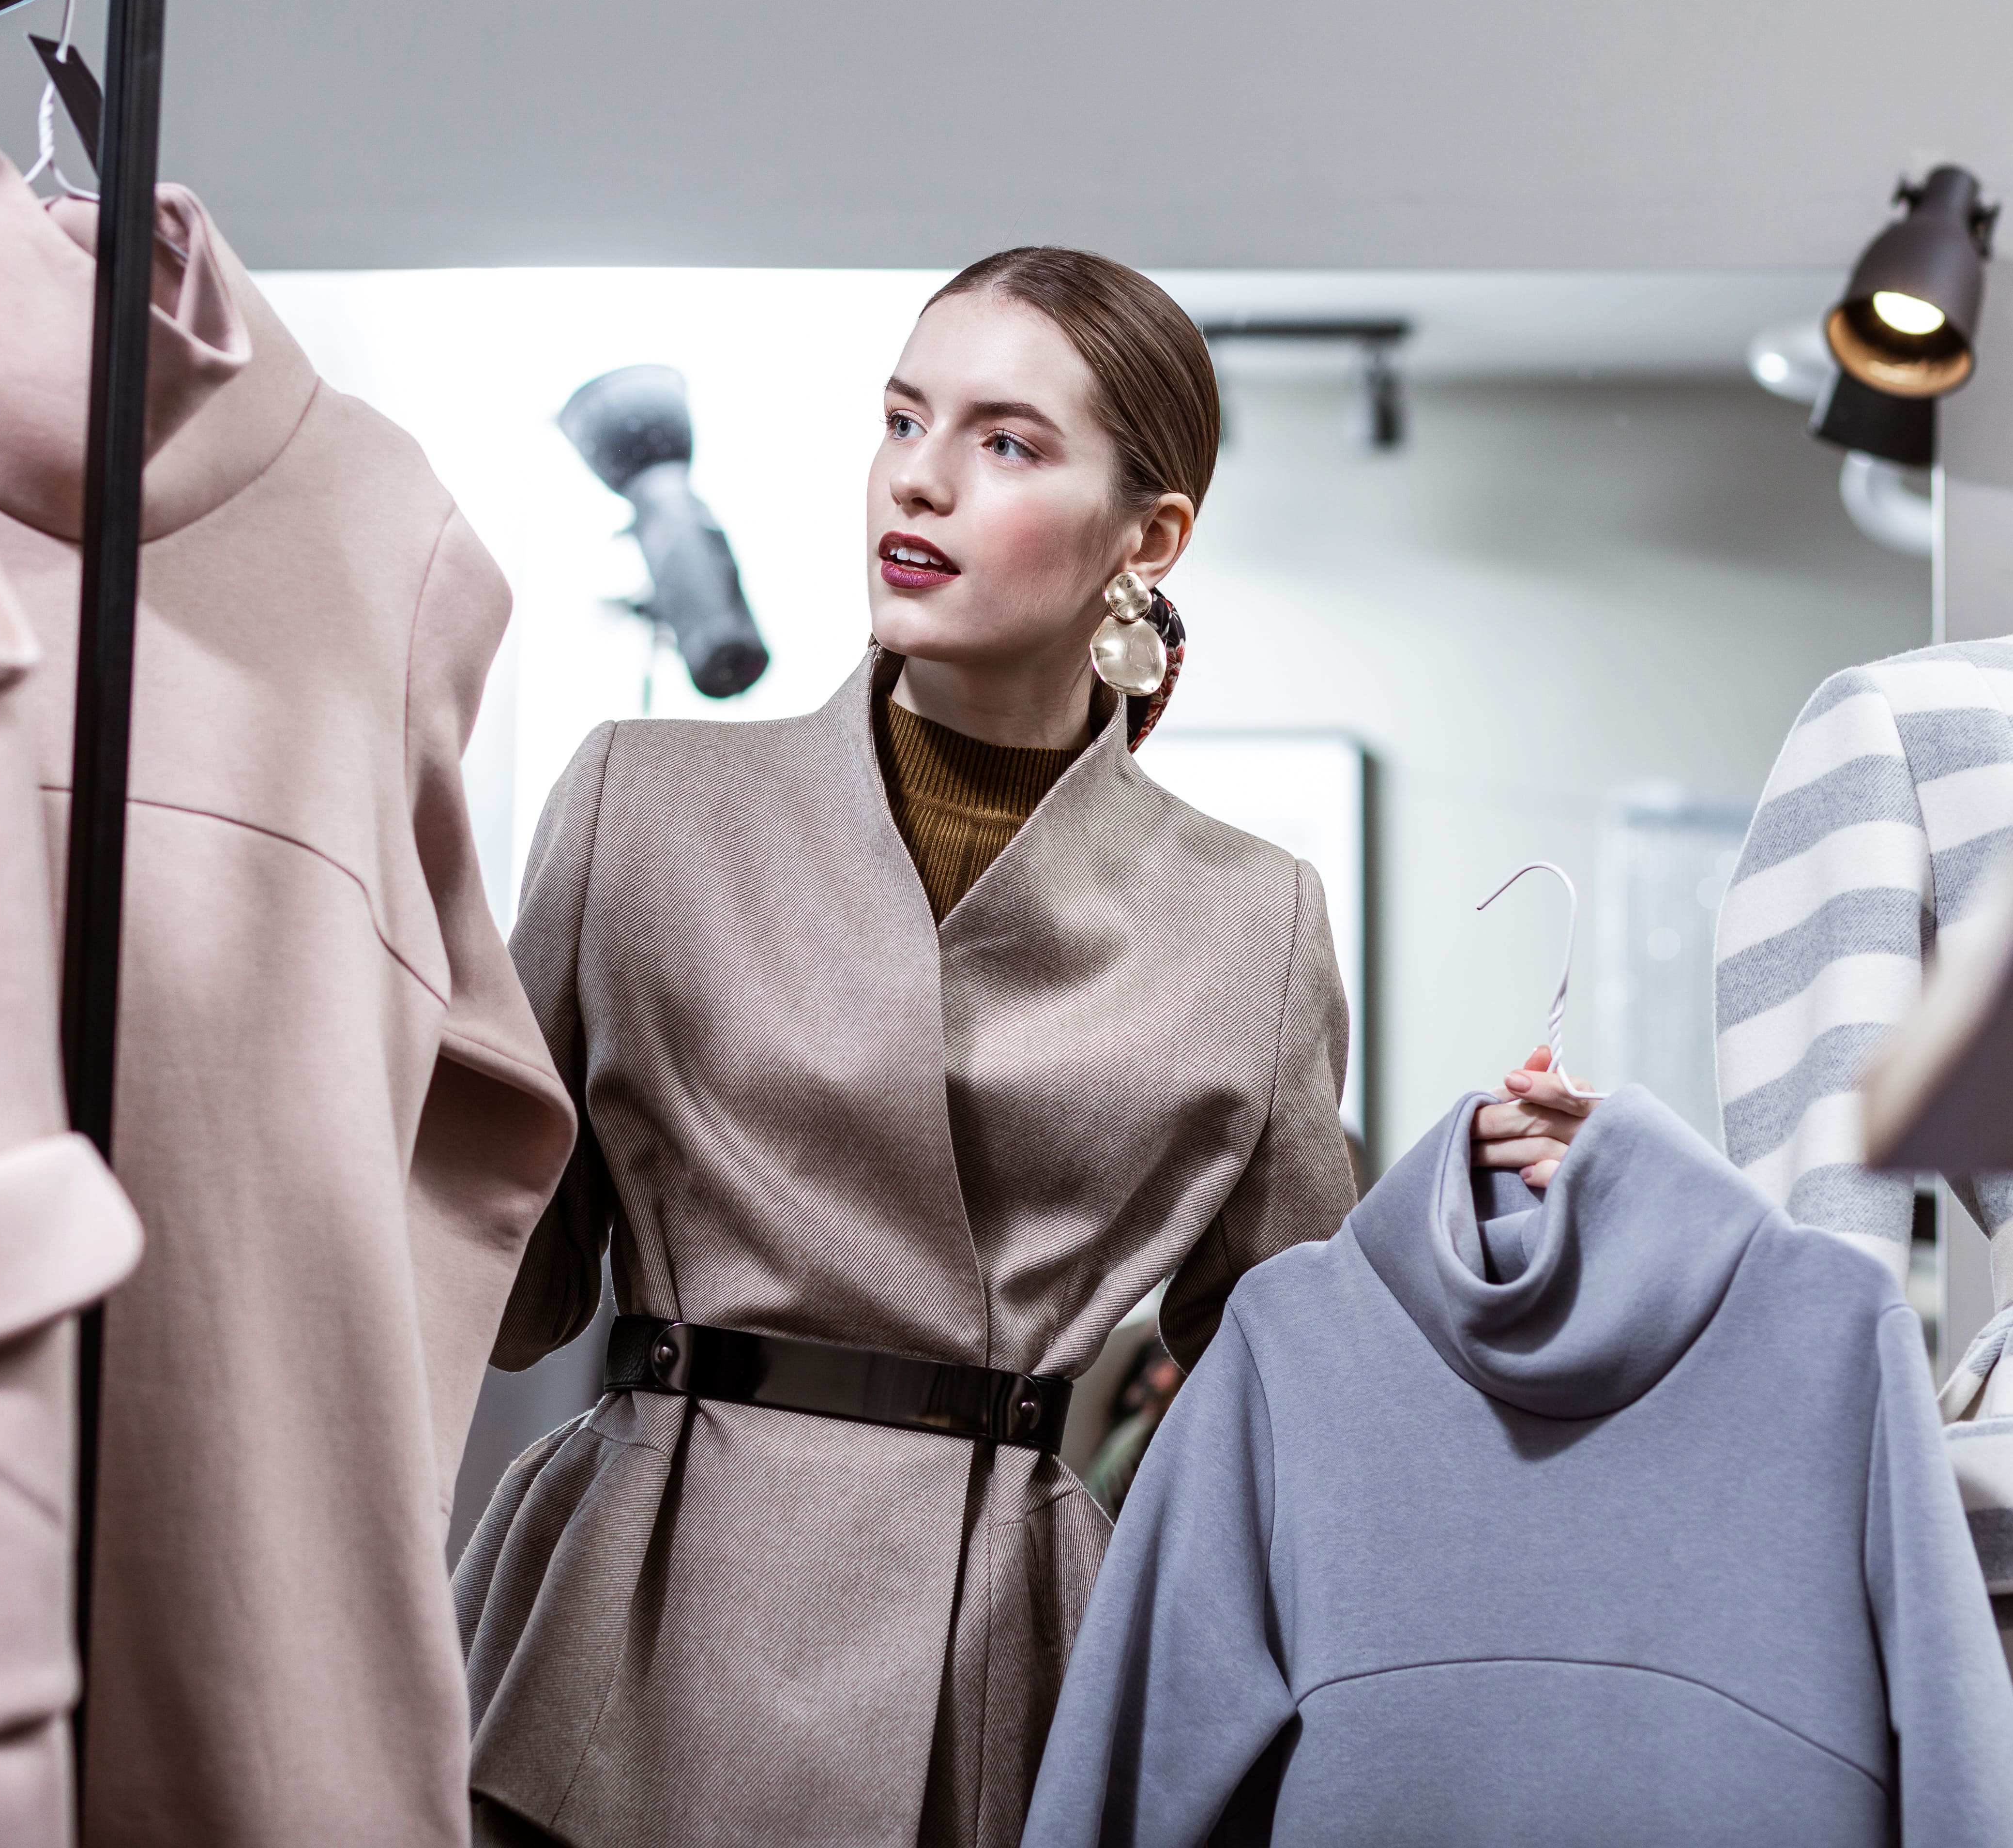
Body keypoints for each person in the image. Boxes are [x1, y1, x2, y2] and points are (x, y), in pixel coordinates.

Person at [451, 247, 1591, 1848]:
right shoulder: (642, 803)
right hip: (629, 1635)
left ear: (1152, 538)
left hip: (998, 1671)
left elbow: (1301, 1378)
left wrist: (1485, 1210)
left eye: (1003, 443)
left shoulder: (1248, 920)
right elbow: (509, 1288)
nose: (916, 481)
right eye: (903, 419)